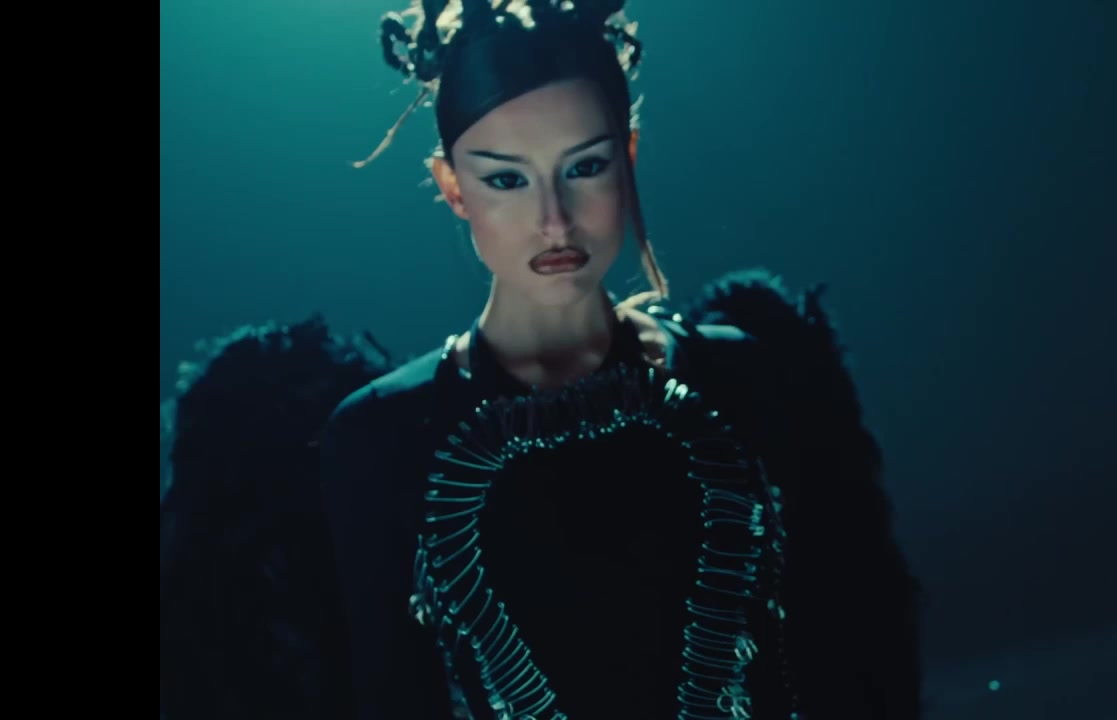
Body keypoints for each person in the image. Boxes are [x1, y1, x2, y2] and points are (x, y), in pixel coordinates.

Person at [313, 1, 923, 719]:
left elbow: (841, 647)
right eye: (507, 179)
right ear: (453, 188)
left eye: (585, 166)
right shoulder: (383, 436)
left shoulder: (738, 378)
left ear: (626, 157)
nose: (554, 219)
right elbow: (390, 694)